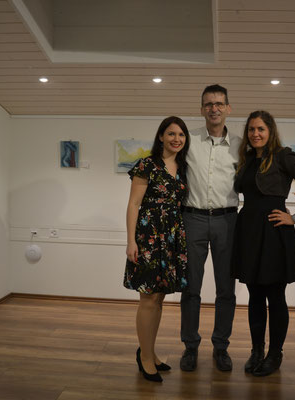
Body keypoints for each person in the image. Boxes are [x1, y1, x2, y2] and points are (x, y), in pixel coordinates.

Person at [232, 110, 295, 377]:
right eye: (251, 129)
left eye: (260, 129)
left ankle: (275, 354)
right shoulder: (247, 159)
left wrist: (294, 217)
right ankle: (256, 351)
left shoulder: (283, 155)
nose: (255, 134)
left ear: (270, 131)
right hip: (248, 230)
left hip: (274, 232)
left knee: (276, 296)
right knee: (255, 296)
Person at [180, 84, 241, 372]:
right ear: (201, 108)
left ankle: (220, 347)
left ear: (228, 108)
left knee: (226, 289)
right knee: (191, 288)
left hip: (228, 221)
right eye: (208, 104)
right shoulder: (188, 141)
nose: (214, 108)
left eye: (219, 103)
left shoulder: (242, 146)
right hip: (191, 219)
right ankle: (190, 346)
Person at [124, 116, 190, 382]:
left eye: (181, 135)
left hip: (172, 237)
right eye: (171, 134)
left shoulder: (183, 167)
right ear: (161, 136)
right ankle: (145, 357)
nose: (176, 139)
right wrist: (131, 241)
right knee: (148, 298)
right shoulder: (147, 165)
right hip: (149, 237)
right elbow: (133, 205)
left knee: (160, 298)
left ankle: (149, 351)